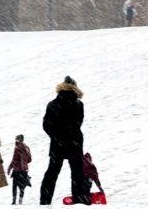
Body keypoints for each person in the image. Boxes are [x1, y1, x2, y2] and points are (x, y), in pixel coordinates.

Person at [39, 76, 88, 205]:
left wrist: (56, 137)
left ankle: (45, 202)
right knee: (77, 173)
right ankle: (79, 200)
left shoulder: (53, 104)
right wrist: (70, 135)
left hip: (58, 145)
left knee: (52, 173)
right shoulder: (79, 104)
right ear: (75, 88)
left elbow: (46, 125)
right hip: (75, 143)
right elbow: (78, 123)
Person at [8, 134, 32, 205]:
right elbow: (30, 159)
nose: (16, 140)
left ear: (20, 139)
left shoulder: (18, 148)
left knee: (15, 186)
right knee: (21, 186)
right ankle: (20, 200)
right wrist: (24, 163)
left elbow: (14, 159)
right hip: (23, 170)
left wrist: (10, 168)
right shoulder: (26, 147)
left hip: (17, 170)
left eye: (17, 139)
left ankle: (14, 201)